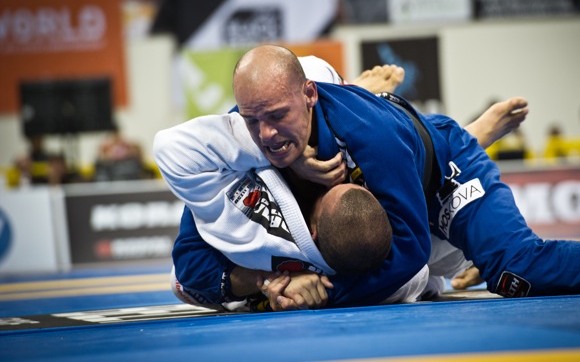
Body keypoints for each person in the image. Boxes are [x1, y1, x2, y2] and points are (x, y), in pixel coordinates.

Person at [156, 50, 538, 310]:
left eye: (277, 117)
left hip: (374, 155)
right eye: (254, 121)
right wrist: (264, 282)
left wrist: (306, 291)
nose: (266, 132)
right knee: (435, 268)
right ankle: (436, 127)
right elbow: (189, 267)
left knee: (427, 235)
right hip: (351, 251)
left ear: (309, 99)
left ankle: (437, 127)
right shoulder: (241, 176)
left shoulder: (349, 135)